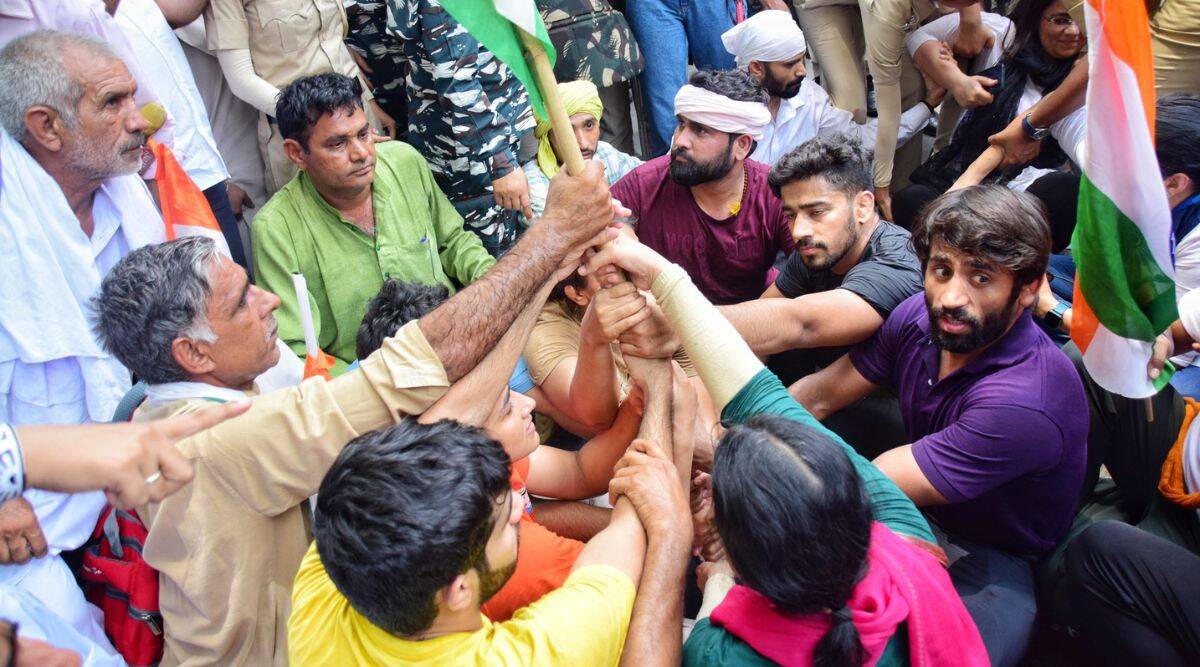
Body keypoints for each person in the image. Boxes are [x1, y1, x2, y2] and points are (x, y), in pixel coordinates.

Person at [90, 158, 619, 665]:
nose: (270, 301)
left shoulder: (197, 404)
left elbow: (447, 409)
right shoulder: (211, 440)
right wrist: (551, 238)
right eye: (241, 303)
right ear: (193, 354)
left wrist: (551, 266)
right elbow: (419, 372)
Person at [575, 228, 988, 666]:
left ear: (737, 553)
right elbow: (759, 394)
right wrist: (661, 276)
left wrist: (701, 566)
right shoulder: (907, 542)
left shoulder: (721, 654)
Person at [786, 186, 1088, 666]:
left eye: (981, 277)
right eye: (941, 270)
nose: (950, 297)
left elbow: (875, 481)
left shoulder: (1027, 399)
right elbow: (821, 395)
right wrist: (731, 437)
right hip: (914, 491)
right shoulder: (918, 318)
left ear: (1028, 288)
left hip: (992, 554)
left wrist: (746, 494)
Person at [287, 350, 692, 665]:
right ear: (459, 589)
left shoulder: (321, 582)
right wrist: (659, 391)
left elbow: (439, 424)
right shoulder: (523, 656)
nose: (520, 508)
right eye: (505, 523)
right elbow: (636, 534)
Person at [0, 29, 165, 651]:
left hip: (132, 485)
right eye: (114, 103)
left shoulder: (126, 196)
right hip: (29, 527)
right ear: (47, 127)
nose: (141, 117)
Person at [252, 73, 496, 374]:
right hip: (365, 379)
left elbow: (454, 243)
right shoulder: (276, 229)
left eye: (363, 134)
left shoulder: (405, 162)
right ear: (297, 153)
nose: (362, 153)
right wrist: (370, 388)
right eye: (338, 144)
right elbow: (296, 348)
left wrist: (494, 289)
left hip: (456, 342)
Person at [717, 136, 922, 453]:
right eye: (791, 215)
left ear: (864, 206)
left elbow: (803, 323)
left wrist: (677, 317)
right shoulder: (819, 250)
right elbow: (756, 330)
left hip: (895, 410)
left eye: (816, 212)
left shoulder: (896, 265)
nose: (798, 231)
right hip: (825, 384)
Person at [1035, 96, 1200, 394]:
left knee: (1130, 397)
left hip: (1177, 352)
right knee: (1014, 278)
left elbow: (1163, 346)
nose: (1115, 170)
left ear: (1173, 184)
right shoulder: (1121, 164)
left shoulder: (1197, 237)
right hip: (1120, 295)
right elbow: (1066, 122)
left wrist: (1052, 309)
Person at [896, 0, 1087, 250]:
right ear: (1036, 17)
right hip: (960, 176)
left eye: (1080, 23)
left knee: (1064, 193)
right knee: (910, 201)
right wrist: (957, 82)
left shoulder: (1083, 85)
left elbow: (1080, 137)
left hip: (1018, 195)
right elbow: (919, 37)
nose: (1073, 32)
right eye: (1061, 20)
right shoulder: (1005, 36)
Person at [611, 69, 794, 305]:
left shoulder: (774, 193)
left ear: (742, 145)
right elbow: (601, 237)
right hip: (662, 324)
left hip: (752, 329)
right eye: (681, 125)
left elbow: (813, 270)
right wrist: (619, 238)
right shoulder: (643, 184)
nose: (680, 141)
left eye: (701, 130)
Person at [385, 0, 536, 255]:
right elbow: (457, 83)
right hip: (473, 155)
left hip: (487, 138)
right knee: (491, 263)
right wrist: (502, 162)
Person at [202, 0, 395, 196]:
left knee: (384, 204)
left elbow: (331, 43)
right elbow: (240, 79)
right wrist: (325, 123)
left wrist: (368, 102)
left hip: (358, 120)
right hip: (302, 134)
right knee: (318, 219)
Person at [114, 0, 247, 267]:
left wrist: (218, 179)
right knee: (200, 295)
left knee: (238, 286)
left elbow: (178, 10)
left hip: (203, 173)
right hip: (156, 187)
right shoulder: (72, 16)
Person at [721, 10, 939, 167]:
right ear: (757, 68)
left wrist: (927, 105)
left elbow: (860, 142)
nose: (802, 72)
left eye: (801, 60)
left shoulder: (809, 98)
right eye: (790, 64)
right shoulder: (722, 111)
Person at [624, 0, 736, 157]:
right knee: (666, 120)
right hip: (653, 4)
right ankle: (674, 178)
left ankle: (733, 175)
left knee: (731, 100)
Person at [522, 80, 642, 220]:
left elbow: (649, 177)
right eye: (567, 131)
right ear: (547, 137)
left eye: (589, 125)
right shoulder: (534, 185)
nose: (583, 143)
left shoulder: (603, 153)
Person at [538, 0, 643, 154]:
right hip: (536, 29)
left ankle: (618, 176)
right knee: (553, 127)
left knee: (614, 124)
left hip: (598, 18)